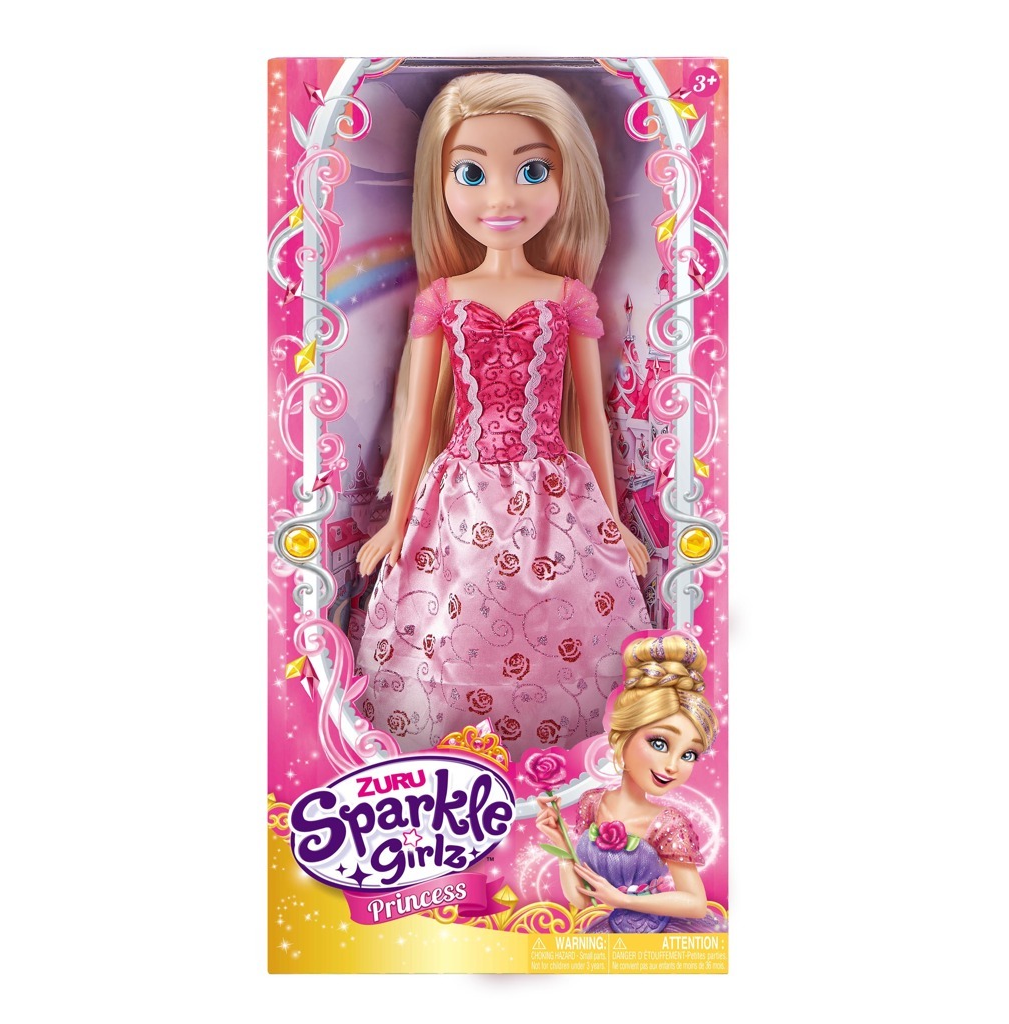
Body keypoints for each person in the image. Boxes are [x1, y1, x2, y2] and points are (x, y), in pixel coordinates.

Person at [353, 73, 651, 758]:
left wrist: (612, 522)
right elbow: (419, 422)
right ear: (441, 184)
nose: (501, 199)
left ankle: (564, 764)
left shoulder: (567, 298)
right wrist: (397, 522)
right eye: (471, 174)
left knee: (562, 617)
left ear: (567, 179)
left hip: (555, 492)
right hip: (458, 493)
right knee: (454, 618)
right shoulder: (444, 298)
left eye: (532, 171)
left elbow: (593, 419)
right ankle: (450, 755)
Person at [535, 634, 726, 932]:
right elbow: (582, 900)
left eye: (689, 754)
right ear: (622, 737)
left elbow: (695, 903)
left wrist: (622, 900)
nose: (673, 766)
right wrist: (560, 843)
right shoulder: (592, 803)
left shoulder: (668, 823)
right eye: (659, 743)